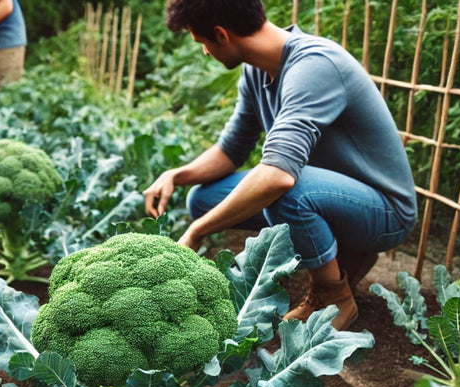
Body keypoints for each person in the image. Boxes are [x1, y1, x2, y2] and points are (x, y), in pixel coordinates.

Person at [143, 0, 417, 331]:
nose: (204, 52)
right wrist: (176, 175)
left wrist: (197, 231)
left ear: (221, 34)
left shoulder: (315, 66)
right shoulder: (255, 71)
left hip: (384, 210)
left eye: (202, 43)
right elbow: (232, 150)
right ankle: (339, 252)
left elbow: (278, 177)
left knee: (281, 188)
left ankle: (334, 296)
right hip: (330, 195)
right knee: (203, 199)